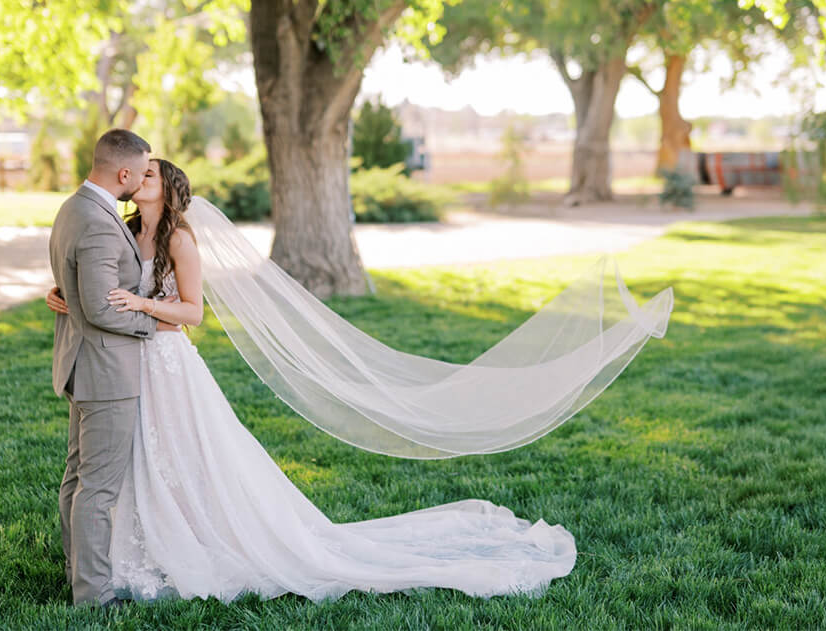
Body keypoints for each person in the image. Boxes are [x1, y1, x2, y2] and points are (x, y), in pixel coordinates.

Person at [46, 158, 584, 603]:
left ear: (168, 188)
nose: (139, 179)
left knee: (188, 455)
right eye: (137, 174)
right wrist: (71, 299)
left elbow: (193, 313)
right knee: (140, 457)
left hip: (168, 362)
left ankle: (198, 540)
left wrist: (142, 303)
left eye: (151, 176)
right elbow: (102, 290)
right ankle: (133, 545)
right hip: (131, 361)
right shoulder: (125, 229)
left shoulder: (180, 240)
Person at [48, 130, 179, 608]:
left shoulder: (73, 207)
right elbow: (104, 309)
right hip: (106, 368)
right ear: (123, 173)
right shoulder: (101, 220)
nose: (143, 178)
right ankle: (94, 594)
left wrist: (63, 295)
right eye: (141, 171)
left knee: (78, 477)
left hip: (83, 364)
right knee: (98, 488)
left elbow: (81, 281)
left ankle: (76, 570)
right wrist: (155, 321)